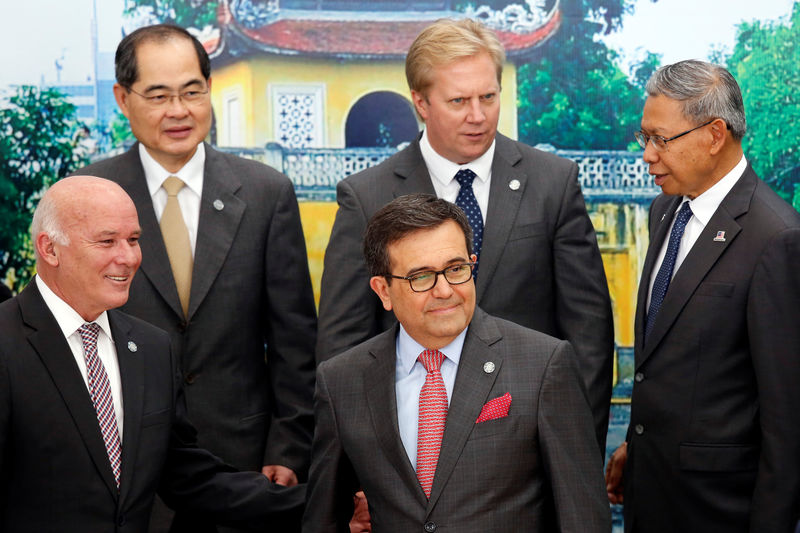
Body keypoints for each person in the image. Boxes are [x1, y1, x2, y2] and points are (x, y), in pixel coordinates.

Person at [316, 18, 613, 453]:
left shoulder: (553, 182)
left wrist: (575, 451)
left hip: (529, 444)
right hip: (412, 448)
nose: (478, 116)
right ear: (421, 102)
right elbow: (342, 346)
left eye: (488, 97)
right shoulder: (367, 197)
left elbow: (588, 334)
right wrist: (359, 471)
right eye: (458, 101)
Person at [77, 24, 318, 532]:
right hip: (124, 467)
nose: (179, 111)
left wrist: (289, 447)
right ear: (123, 98)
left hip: (248, 467)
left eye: (192, 91)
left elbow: (296, 341)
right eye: (159, 95)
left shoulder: (265, 193)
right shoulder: (89, 194)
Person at [0, 176, 305, 533]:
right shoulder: (7, 342)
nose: (128, 258)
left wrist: (321, 504)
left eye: (133, 240)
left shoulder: (151, 348)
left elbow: (189, 478)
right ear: (49, 249)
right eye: (107, 241)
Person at [303, 194, 611, 532]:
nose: (445, 290)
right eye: (421, 277)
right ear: (384, 291)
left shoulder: (543, 364)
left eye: (456, 269)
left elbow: (583, 518)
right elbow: (324, 518)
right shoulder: (342, 381)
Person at [604, 60, 800, 532]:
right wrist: (638, 445)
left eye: (660, 139)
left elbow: (788, 423)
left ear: (715, 135)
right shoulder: (665, 210)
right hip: (650, 496)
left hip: (719, 511)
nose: (647, 155)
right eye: (642, 137)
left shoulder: (776, 239)